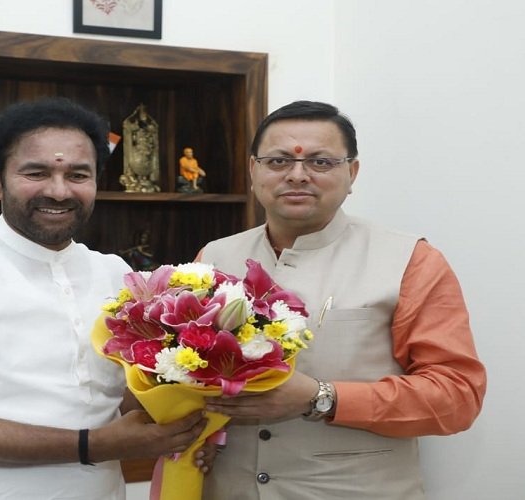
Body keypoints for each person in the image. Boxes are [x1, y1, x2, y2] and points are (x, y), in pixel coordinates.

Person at [0, 97, 211, 499]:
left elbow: (127, 396)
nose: (59, 191)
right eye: (36, 172)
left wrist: (189, 419)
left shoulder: (115, 274)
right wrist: (94, 445)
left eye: (78, 174)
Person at [197, 100, 487, 499]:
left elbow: (457, 397)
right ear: (253, 170)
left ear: (352, 173)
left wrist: (323, 398)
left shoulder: (409, 261)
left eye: (320, 162)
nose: (297, 175)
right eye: (278, 161)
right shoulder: (213, 258)